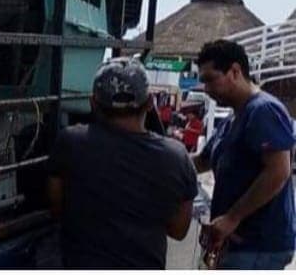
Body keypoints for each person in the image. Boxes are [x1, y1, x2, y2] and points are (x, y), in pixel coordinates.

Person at [47, 57, 198, 269]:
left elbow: (57, 208)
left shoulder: (71, 142)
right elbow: (178, 230)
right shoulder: (176, 156)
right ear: (150, 103)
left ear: (93, 102)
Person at [193, 39, 295, 269]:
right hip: (236, 245)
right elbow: (201, 161)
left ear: (235, 71)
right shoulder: (233, 118)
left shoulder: (263, 110)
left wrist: (232, 218)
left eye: (211, 79)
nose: (206, 89)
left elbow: (279, 170)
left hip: (258, 246)